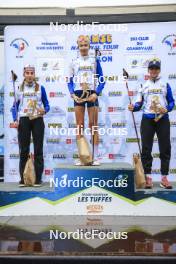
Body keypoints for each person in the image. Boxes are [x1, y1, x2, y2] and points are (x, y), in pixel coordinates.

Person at [128, 58, 175, 189]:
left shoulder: (165, 84)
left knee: (165, 148)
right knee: (146, 149)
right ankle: (148, 177)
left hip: (162, 118)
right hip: (147, 119)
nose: (154, 71)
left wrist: (168, 108)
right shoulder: (143, 85)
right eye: (152, 69)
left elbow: (171, 102)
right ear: (148, 70)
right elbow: (139, 103)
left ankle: (164, 178)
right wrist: (134, 107)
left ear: (159, 70)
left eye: (156, 69)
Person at [68, 35, 105, 166]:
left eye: (85, 45)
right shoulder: (73, 61)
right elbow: (70, 80)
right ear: (78, 47)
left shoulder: (95, 61)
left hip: (91, 93)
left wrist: (97, 92)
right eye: (81, 45)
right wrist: (72, 93)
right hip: (79, 93)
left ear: (89, 47)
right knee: (79, 125)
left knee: (93, 125)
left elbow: (102, 80)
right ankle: (82, 156)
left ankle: (95, 156)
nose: (83, 47)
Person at [11, 65, 50, 187]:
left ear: (34, 74)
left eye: (31, 72)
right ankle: (23, 179)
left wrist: (45, 110)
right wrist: (15, 120)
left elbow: (47, 105)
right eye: (27, 73)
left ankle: (38, 179)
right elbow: (14, 107)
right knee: (24, 150)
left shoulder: (40, 88)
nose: (29, 75)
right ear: (24, 74)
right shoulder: (18, 88)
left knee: (38, 150)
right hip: (24, 119)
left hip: (37, 119)